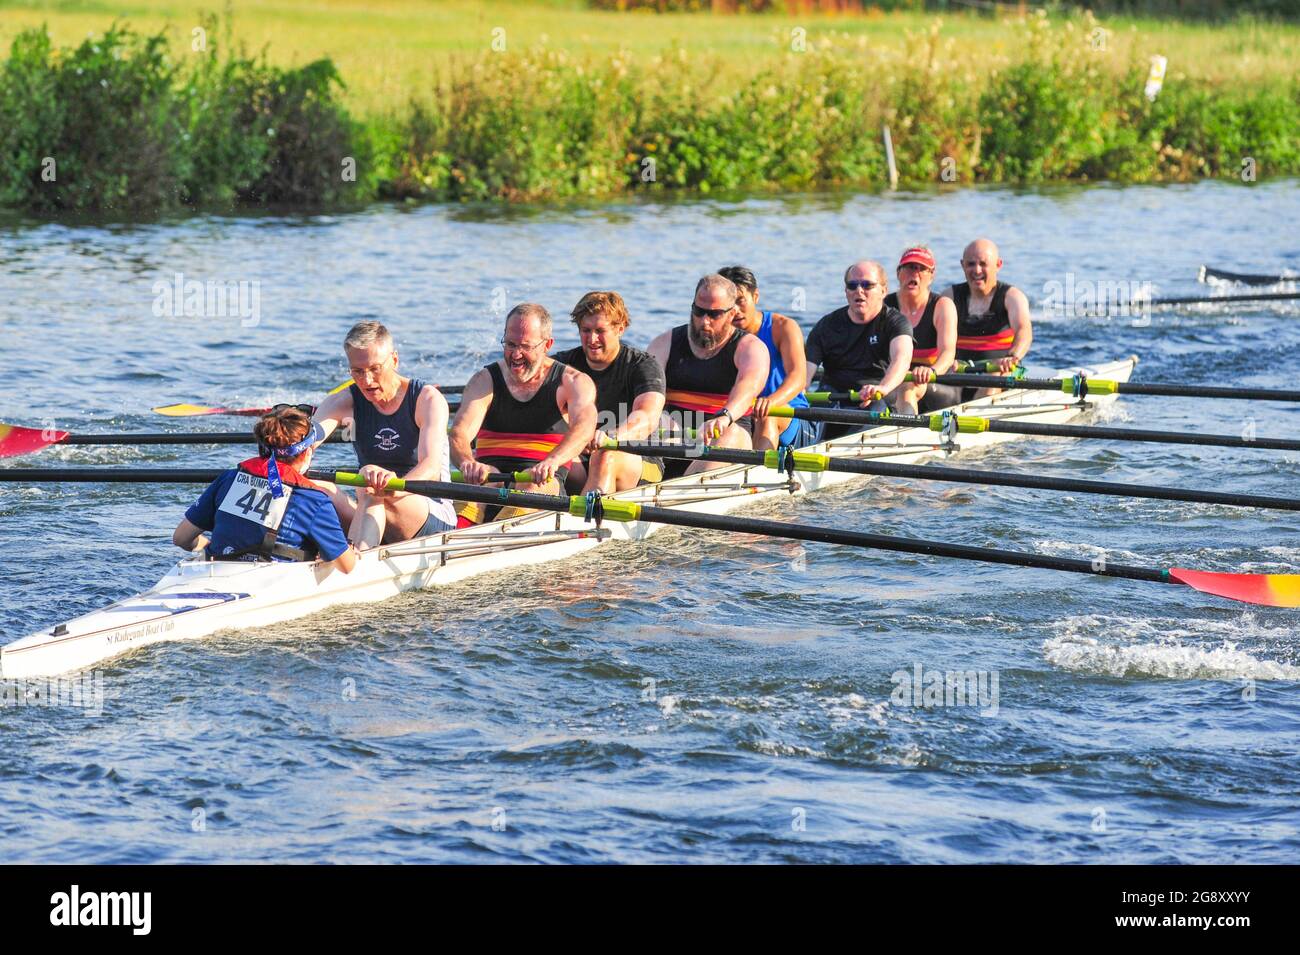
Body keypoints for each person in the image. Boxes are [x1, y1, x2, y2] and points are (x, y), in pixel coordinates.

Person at [311, 321, 457, 547]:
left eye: (374, 369)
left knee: (370, 485)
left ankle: (356, 562)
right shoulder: (343, 401)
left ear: (394, 360)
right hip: (371, 505)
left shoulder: (427, 400)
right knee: (315, 485)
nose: (366, 381)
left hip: (429, 513)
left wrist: (393, 488)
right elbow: (307, 442)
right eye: (357, 371)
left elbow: (430, 467)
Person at [449, 303, 597, 524]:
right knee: (475, 485)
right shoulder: (484, 381)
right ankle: (457, 536)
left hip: (542, 476)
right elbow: (459, 434)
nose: (515, 355)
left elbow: (584, 429)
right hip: (491, 475)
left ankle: (497, 537)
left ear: (547, 344)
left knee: (531, 486)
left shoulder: (573, 382)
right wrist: (467, 463)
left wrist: (553, 461)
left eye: (525, 346)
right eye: (510, 344)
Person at [172, 404, 357, 573]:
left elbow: (181, 538)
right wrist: (349, 548)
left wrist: (215, 550)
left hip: (215, 570)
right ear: (308, 452)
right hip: (273, 581)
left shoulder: (229, 478)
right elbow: (347, 567)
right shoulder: (313, 500)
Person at [647, 274, 769, 476]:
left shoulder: (750, 348)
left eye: (714, 315)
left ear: (732, 314)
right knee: (650, 421)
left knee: (729, 435)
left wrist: (724, 416)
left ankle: (679, 492)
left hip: (727, 430)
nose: (704, 321)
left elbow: (747, 389)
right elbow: (645, 389)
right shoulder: (664, 343)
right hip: (676, 434)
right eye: (699, 311)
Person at [553, 291, 667, 494]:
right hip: (582, 458)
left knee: (605, 454)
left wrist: (610, 436)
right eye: (585, 330)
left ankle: (589, 520)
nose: (592, 339)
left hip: (638, 459)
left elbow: (646, 417)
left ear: (620, 328)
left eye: (600, 330)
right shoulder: (563, 365)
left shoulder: (643, 365)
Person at [804, 260, 913, 439]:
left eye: (867, 285)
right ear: (846, 292)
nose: (859, 291)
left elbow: (901, 360)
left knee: (876, 409)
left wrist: (883, 388)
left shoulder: (896, 323)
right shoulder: (827, 326)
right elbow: (805, 374)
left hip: (876, 397)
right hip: (833, 397)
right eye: (852, 285)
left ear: (884, 291)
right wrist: (797, 393)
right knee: (806, 423)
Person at [719, 265, 818, 450]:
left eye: (740, 301)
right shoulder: (717, 335)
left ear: (755, 296)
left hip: (790, 415)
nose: (736, 311)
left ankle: (756, 474)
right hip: (743, 414)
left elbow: (798, 378)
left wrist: (771, 401)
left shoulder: (783, 327)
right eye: (729, 304)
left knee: (766, 415)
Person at [943, 238, 1033, 399]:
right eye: (971, 264)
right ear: (962, 265)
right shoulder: (949, 297)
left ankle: (976, 417)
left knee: (995, 378)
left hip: (1000, 371)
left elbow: (1024, 331)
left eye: (983, 264)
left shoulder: (1012, 297)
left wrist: (1012, 357)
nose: (977, 270)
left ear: (998, 265)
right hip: (960, 371)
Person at [882, 246, 960, 413]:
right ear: (898, 273)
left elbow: (947, 353)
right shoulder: (884, 306)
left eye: (922, 269)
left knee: (907, 386)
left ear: (931, 276)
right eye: (910, 268)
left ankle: (906, 434)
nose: (915, 274)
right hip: (893, 381)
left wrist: (931, 371)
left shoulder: (942, 306)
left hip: (936, 383)